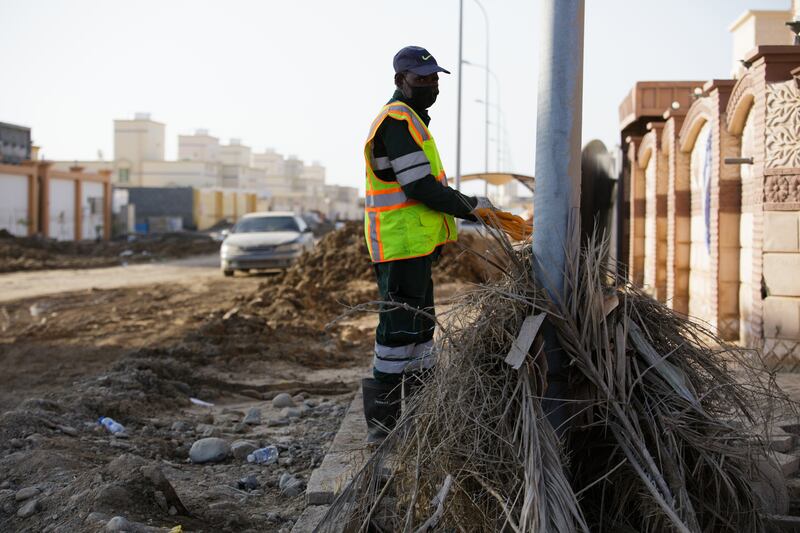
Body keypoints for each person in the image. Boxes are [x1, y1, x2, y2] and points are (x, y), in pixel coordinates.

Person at [361, 45, 494, 443]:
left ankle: (421, 418)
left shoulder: (413, 119)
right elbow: (418, 185)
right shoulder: (397, 122)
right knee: (398, 334)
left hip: (414, 248)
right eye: (422, 79)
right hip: (400, 248)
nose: (431, 85)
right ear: (400, 80)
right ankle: (383, 431)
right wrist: (471, 208)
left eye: (434, 78)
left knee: (419, 335)